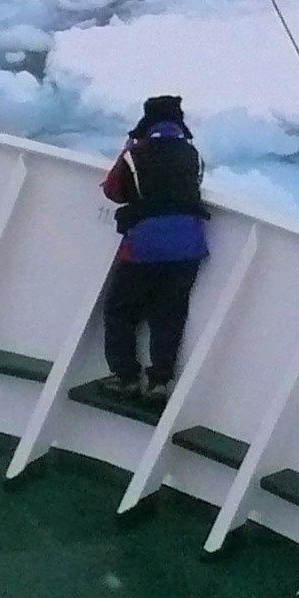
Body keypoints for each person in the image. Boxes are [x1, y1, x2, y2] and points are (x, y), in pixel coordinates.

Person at [99, 94, 209, 396]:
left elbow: (114, 191)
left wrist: (128, 149)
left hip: (145, 246)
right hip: (188, 246)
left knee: (120, 310)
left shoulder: (136, 155)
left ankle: (126, 377)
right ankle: (160, 382)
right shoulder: (194, 154)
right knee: (169, 314)